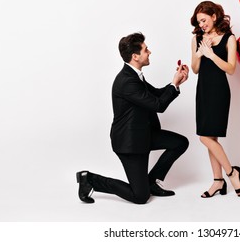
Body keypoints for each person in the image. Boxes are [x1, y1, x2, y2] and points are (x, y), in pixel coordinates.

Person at [76, 32, 189, 204]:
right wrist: (173, 85)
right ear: (135, 56)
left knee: (180, 143)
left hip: (143, 134)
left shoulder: (135, 76)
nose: (149, 52)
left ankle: (151, 182)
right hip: (130, 143)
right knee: (140, 197)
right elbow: (159, 105)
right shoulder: (127, 81)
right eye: (146, 50)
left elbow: (157, 95)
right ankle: (90, 179)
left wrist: (176, 83)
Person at [190, 1, 240, 198]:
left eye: (204, 20)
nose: (202, 24)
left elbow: (231, 69)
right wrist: (199, 53)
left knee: (205, 137)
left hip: (219, 91)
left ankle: (232, 173)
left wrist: (211, 55)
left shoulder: (230, 38)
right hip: (203, 90)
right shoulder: (198, 38)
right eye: (199, 21)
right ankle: (218, 182)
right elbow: (195, 69)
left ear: (214, 16)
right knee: (208, 136)